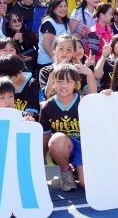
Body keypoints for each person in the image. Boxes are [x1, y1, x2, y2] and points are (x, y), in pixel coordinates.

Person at [40, 64, 88, 192]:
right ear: (53, 83)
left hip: (86, 148)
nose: (64, 85)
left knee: (86, 185)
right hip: (65, 148)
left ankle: (79, 171)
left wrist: (106, 95)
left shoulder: (84, 101)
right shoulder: (47, 107)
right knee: (57, 139)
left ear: (76, 84)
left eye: (69, 81)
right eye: (59, 81)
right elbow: (45, 137)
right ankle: (66, 172)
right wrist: (38, 167)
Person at [36, 0, 70, 76]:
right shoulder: (49, 23)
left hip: (61, 62)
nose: (63, 9)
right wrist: (57, 61)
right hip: (48, 63)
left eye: (65, 6)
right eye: (60, 6)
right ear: (53, 8)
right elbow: (46, 45)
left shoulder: (63, 22)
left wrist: (80, 34)